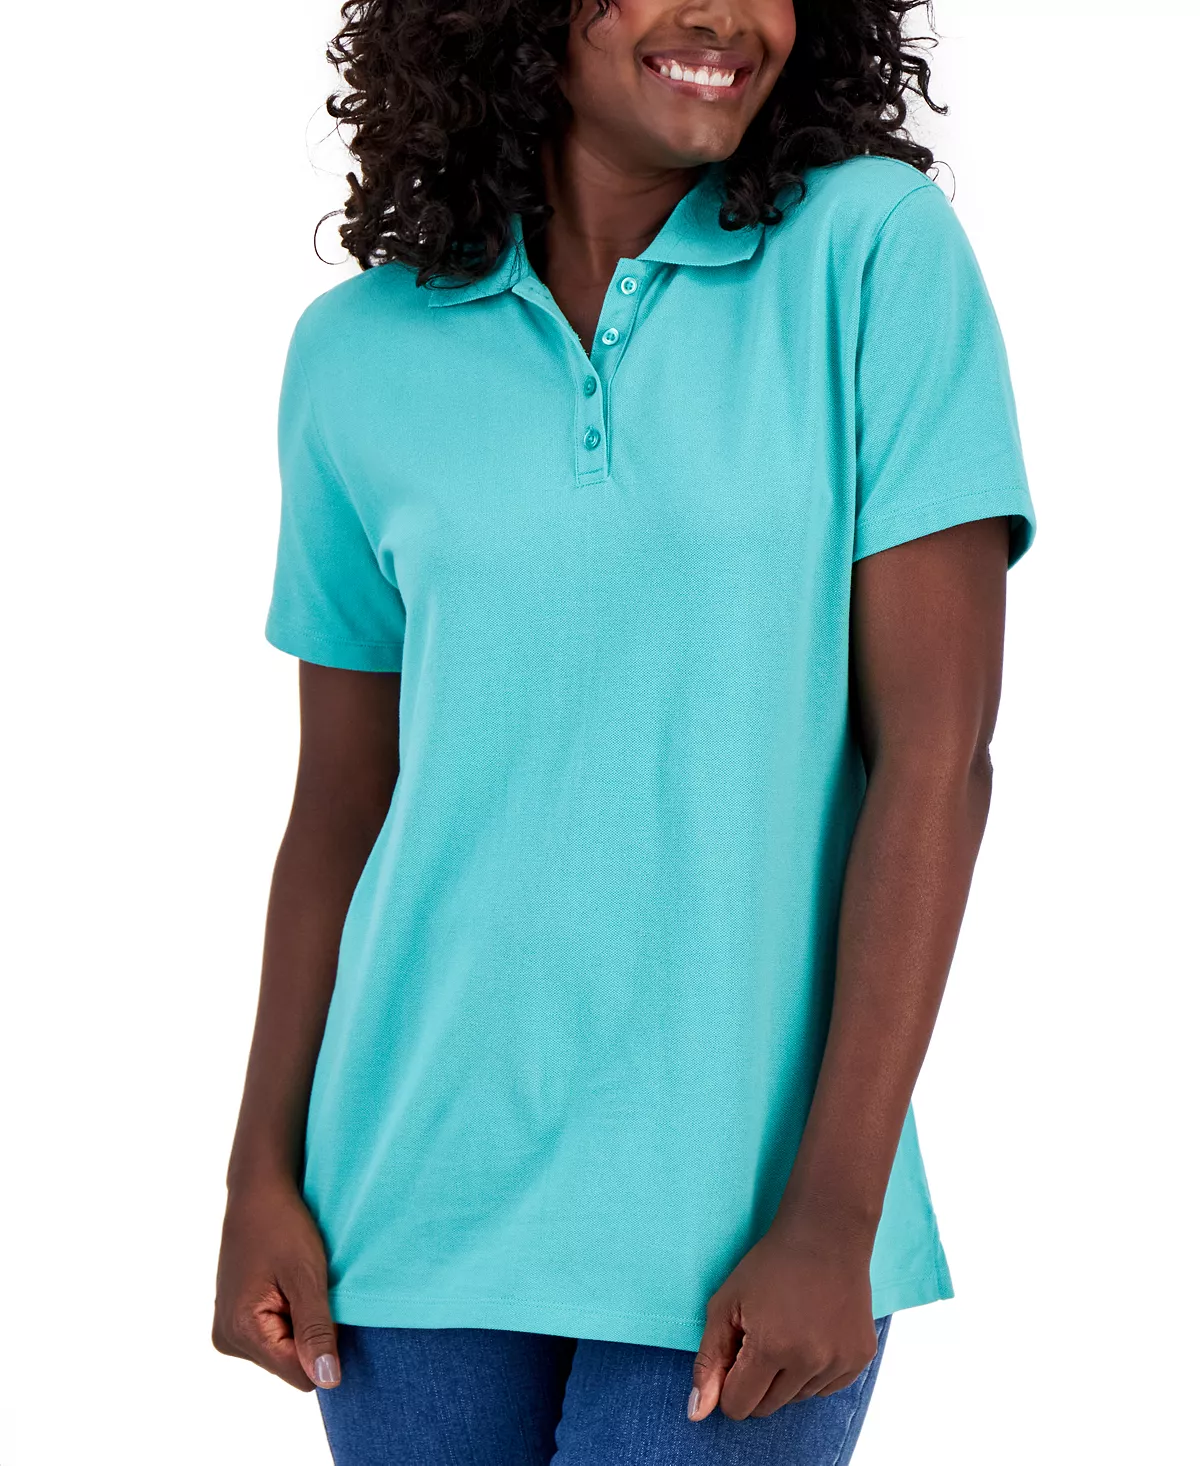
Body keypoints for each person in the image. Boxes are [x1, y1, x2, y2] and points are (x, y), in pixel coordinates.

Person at [212, 0, 1037, 1460]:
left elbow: (938, 757)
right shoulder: (354, 353)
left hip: (745, 1214)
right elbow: (342, 805)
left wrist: (835, 1212)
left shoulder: (868, 256)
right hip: (406, 1205)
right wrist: (256, 1174)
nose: (724, 13)